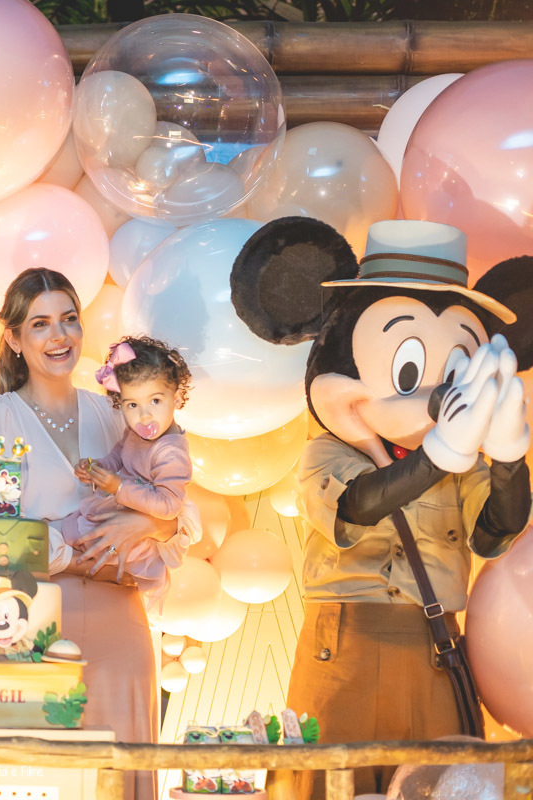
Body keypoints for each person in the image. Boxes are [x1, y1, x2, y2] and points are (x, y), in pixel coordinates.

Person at [228, 217, 532, 800]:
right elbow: (357, 507)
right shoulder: (326, 451)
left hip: (434, 646)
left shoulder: (466, 463)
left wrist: (510, 458)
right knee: (329, 784)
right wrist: (441, 451)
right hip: (346, 641)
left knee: (439, 786)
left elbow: (495, 535)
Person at [0, 268, 192, 800]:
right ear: (14, 339)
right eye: (41, 323)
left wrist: (144, 521)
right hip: (38, 625)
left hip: (124, 626)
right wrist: (79, 552)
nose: (59, 336)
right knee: (48, 780)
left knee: (123, 777)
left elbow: (178, 513)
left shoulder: (115, 410)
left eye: (69, 320)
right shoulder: (1, 417)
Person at [70, 334, 197, 606]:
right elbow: (121, 455)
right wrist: (98, 468)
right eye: (132, 405)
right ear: (120, 403)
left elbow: (169, 506)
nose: (145, 416)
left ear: (176, 397)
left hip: (139, 528)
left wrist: (118, 487)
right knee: (73, 531)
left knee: (80, 537)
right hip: (121, 507)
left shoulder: (170, 452)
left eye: (155, 401)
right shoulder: (138, 431)